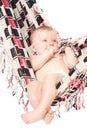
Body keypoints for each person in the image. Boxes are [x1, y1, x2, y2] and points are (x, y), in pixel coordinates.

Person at [21, 25, 78, 124]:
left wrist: (68, 50)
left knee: (49, 78)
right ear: (34, 48)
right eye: (45, 41)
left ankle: (40, 110)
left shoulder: (60, 56)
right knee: (32, 85)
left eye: (54, 41)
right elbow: (33, 66)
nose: (51, 43)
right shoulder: (34, 58)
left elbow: (73, 65)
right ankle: (44, 113)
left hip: (60, 80)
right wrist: (48, 54)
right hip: (42, 87)